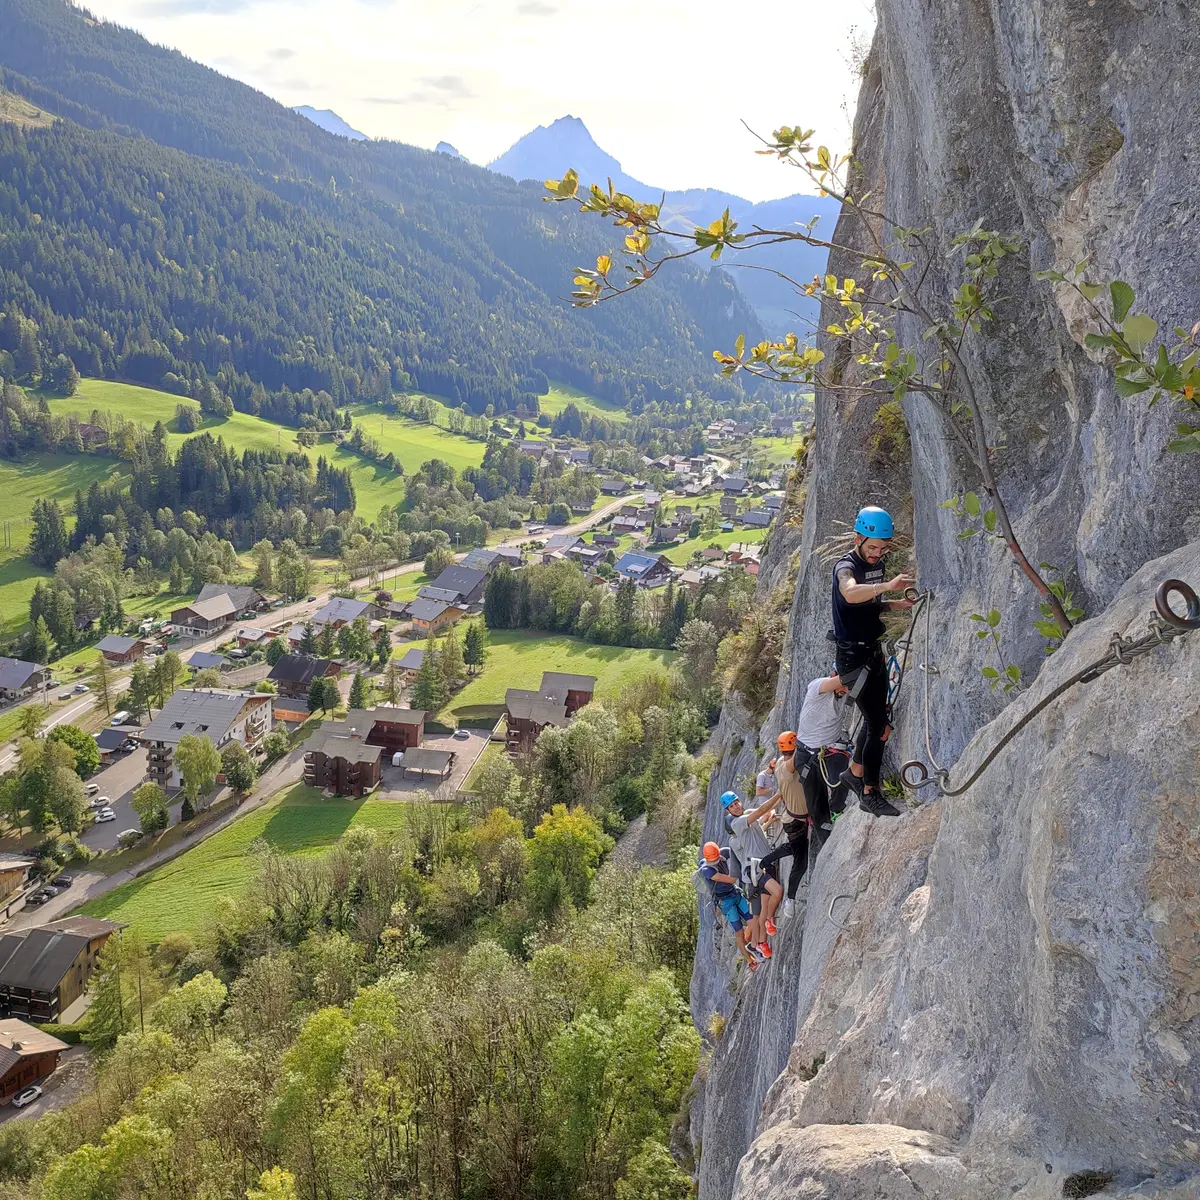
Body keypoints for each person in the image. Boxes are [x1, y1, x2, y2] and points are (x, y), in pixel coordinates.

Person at [830, 506, 913, 817]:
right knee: (880, 726)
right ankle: (869, 792)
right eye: (873, 546)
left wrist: (897, 604)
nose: (878, 553)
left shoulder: (875, 565)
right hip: (853, 659)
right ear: (858, 538)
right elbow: (850, 594)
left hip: (871, 652)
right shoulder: (846, 567)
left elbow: (870, 607)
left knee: (876, 719)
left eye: (883, 547)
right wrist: (886, 587)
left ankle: (853, 772)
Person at [743, 731, 813, 917]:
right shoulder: (788, 768)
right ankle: (790, 899)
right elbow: (801, 757)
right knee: (801, 861)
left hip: (793, 820)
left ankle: (766, 860)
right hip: (796, 822)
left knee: (793, 847)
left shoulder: (781, 763)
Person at [720, 790, 782, 942]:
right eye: (731, 806)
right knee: (777, 892)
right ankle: (768, 922)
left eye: (736, 803)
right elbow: (762, 810)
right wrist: (780, 792)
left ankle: (762, 940)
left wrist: (782, 796)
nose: (735, 807)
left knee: (764, 905)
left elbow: (765, 811)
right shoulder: (737, 823)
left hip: (764, 863)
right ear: (728, 811)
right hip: (756, 868)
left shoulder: (746, 815)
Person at [699, 842, 768, 970]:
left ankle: (753, 946)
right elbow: (731, 879)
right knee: (739, 932)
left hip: (735, 893)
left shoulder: (724, 853)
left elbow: (738, 847)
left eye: (717, 858)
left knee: (753, 918)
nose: (716, 862)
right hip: (725, 902)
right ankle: (750, 960)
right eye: (713, 860)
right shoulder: (707, 870)